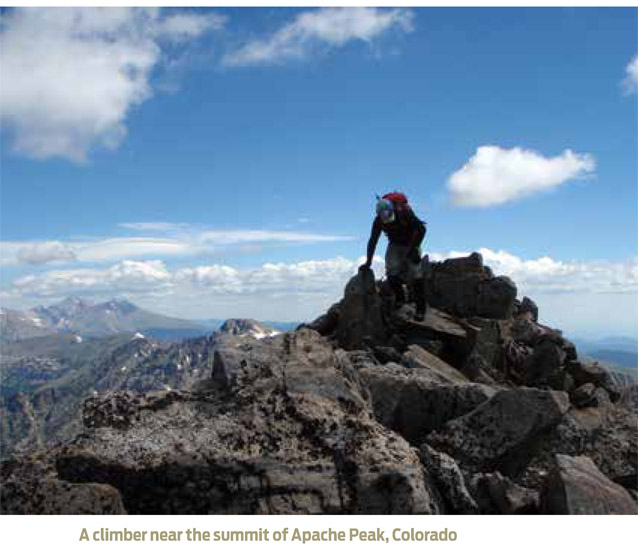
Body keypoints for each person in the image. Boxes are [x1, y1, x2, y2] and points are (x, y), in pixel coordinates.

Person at [360, 192, 427, 321]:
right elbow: (373, 240)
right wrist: (368, 262)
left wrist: (414, 249)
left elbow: (421, 229)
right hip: (395, 244)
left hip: (411, 242)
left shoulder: (404, 212)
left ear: (393, 210)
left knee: (416, 274)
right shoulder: (378, 221)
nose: (387, 219)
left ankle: (420, 309)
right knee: (391, 271)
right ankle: (400, 298)